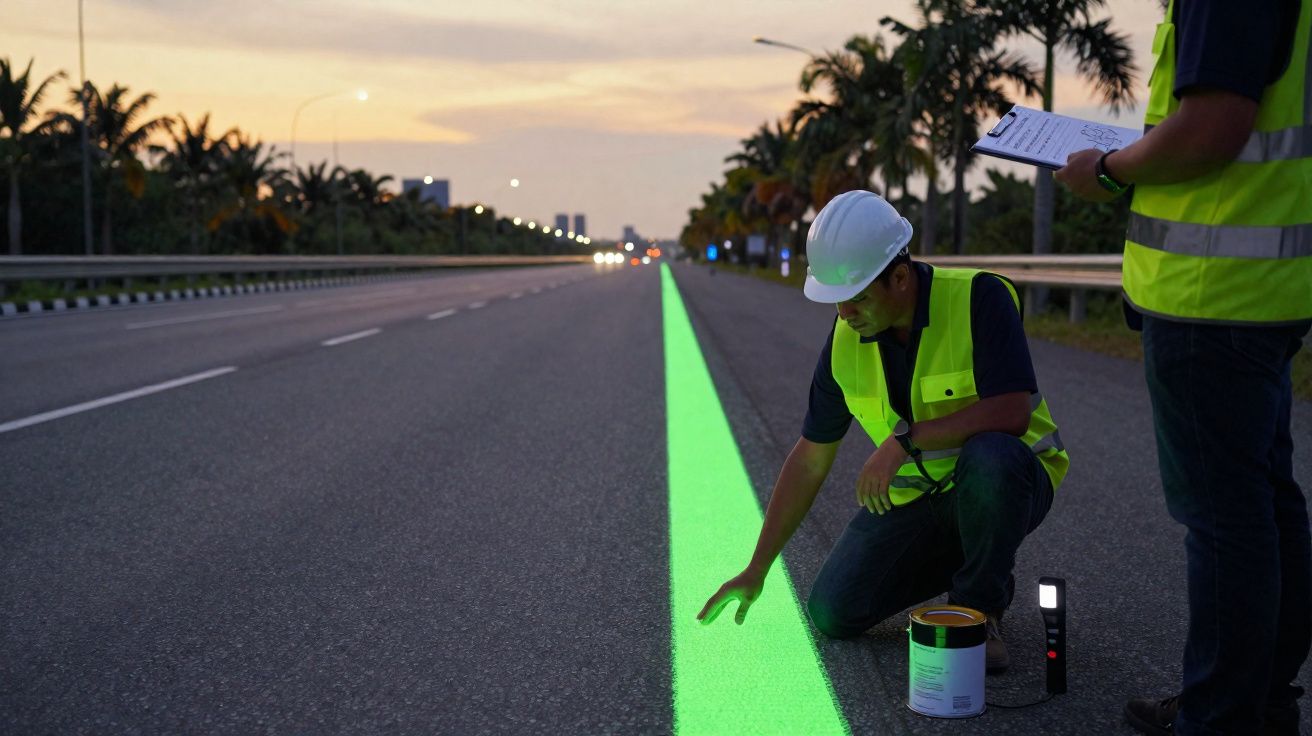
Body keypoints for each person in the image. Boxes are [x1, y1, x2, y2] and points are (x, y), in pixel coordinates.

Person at [1055, 0, 1311, 732]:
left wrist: (1108, 169)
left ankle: (1221, 715)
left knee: (1227, 517)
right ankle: (1260, 700)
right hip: (1267, 284)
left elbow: (1211, 126)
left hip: (1210, 292)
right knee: (1263, 499)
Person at [697, 190, 1070, 674]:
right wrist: (757, 567)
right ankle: (980, 562)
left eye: (856, 298)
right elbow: (811, 457)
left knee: (991, 457)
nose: (845, 314)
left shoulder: (978, 298)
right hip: (925, 500)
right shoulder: (845, 342)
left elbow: (1012, 412)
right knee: (833, 611)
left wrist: (905, 440)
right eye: (837, 301)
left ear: (899, 277)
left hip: (1009, 482)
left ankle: (979, 607)